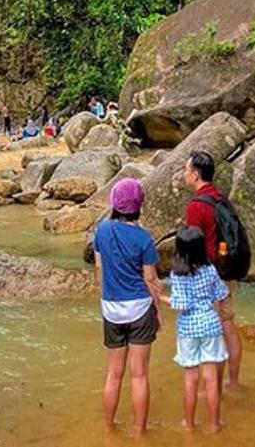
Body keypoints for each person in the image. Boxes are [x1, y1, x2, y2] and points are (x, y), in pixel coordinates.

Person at [92, 178, 163, 437]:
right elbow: (151, 281)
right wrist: (158, 312)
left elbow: (99, 270)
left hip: (111, 309)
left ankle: (109, 430)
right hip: (140, 309)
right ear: (138, 206)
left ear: (114, 204)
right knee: (139, 375)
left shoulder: (101, 230)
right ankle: (139, 433)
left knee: (113, 374)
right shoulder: (144, 239)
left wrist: (107, 297)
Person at [183, 150, 243, 389]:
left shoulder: (196, 206)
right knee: (228, 326)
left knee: (213, 335)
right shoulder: (220, 198)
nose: (184, 174)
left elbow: (193, 246)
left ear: (195, 174)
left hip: (207, 276)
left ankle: (214, 390)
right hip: (226, 269)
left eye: (186, 170)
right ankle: (234, 383)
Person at [162, 226, 229, 433]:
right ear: (202, 248)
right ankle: (215, 423)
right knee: (210, 378)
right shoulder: (210, 270)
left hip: (188, 329)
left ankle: (189, 423)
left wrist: (159, 296)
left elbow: (180, 305)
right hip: (211, 325)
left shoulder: (178, 274)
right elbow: (222, 294)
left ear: (179, 250)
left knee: (191, 379)